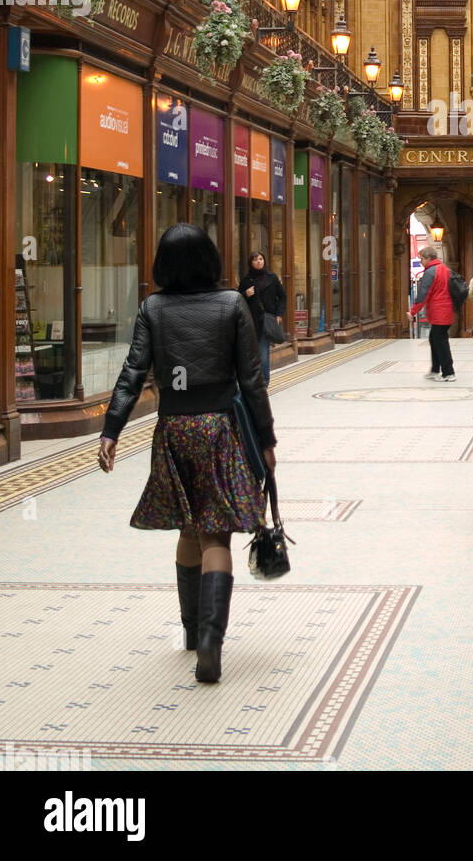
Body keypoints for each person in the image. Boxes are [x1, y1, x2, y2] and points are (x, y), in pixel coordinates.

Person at [98, 224, 276, 685]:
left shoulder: (152, 308)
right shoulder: (232, 303)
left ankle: (192, 633)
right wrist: (267, 440)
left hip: (173, 430)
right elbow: (252, 380)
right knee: (217, 536)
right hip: (220, 427)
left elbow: (132, 372)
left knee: (188, 525)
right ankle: (213, 645)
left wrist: (111, 430)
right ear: (210, 259)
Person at [238, 251, 287, 385]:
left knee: (263, 351)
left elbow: (282, 297)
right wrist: (245, 294)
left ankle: (264, 381)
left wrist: (279, 314)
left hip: (267, 320)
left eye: (261, 259)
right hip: (251, 321)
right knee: (252, 353)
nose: (259, 261)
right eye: (255, 260)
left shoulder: (272, 277)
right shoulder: (246, 280)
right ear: (251, 263)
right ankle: (254, 379)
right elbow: (237, 300)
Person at [409, 246, 455, 380]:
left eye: (422, 258)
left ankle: (448, 372)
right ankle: (435, 370)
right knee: (435, 339)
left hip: (439, 312)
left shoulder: (430, 272)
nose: (421, 261)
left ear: (429, 258)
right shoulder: (445, 270)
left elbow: (423, 294)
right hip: (446, 311)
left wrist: (412, 312)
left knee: (440, 341)